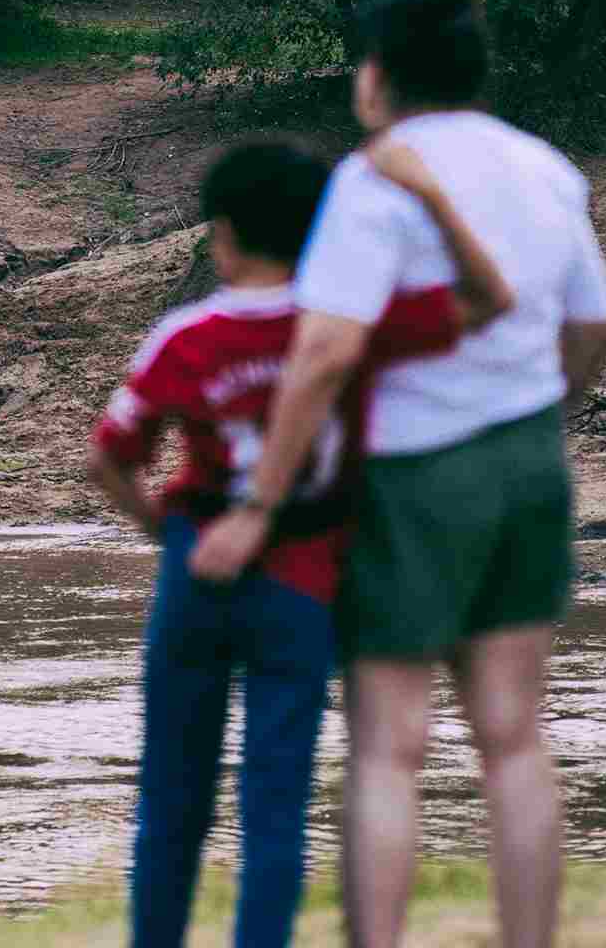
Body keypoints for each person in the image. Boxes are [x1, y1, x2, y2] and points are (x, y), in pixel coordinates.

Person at [188, 0, 606, 948]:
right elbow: (595, 325)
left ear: (376, 76)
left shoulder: (375, 176)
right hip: (527, 462)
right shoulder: (545, 168)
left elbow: (325, 351)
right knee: (514, 736)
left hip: (408, 475)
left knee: (389, 745)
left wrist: (261, 501)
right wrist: (548, 412)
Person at [87, 134, 513, 947]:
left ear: (222, 233)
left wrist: (163, 531)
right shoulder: (356, 326)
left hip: (199, 566)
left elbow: (107, 458)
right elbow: (489, 298)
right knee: (275, 802)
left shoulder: (186, 334)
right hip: (306, 574)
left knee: (171, 797)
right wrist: (431, 198)